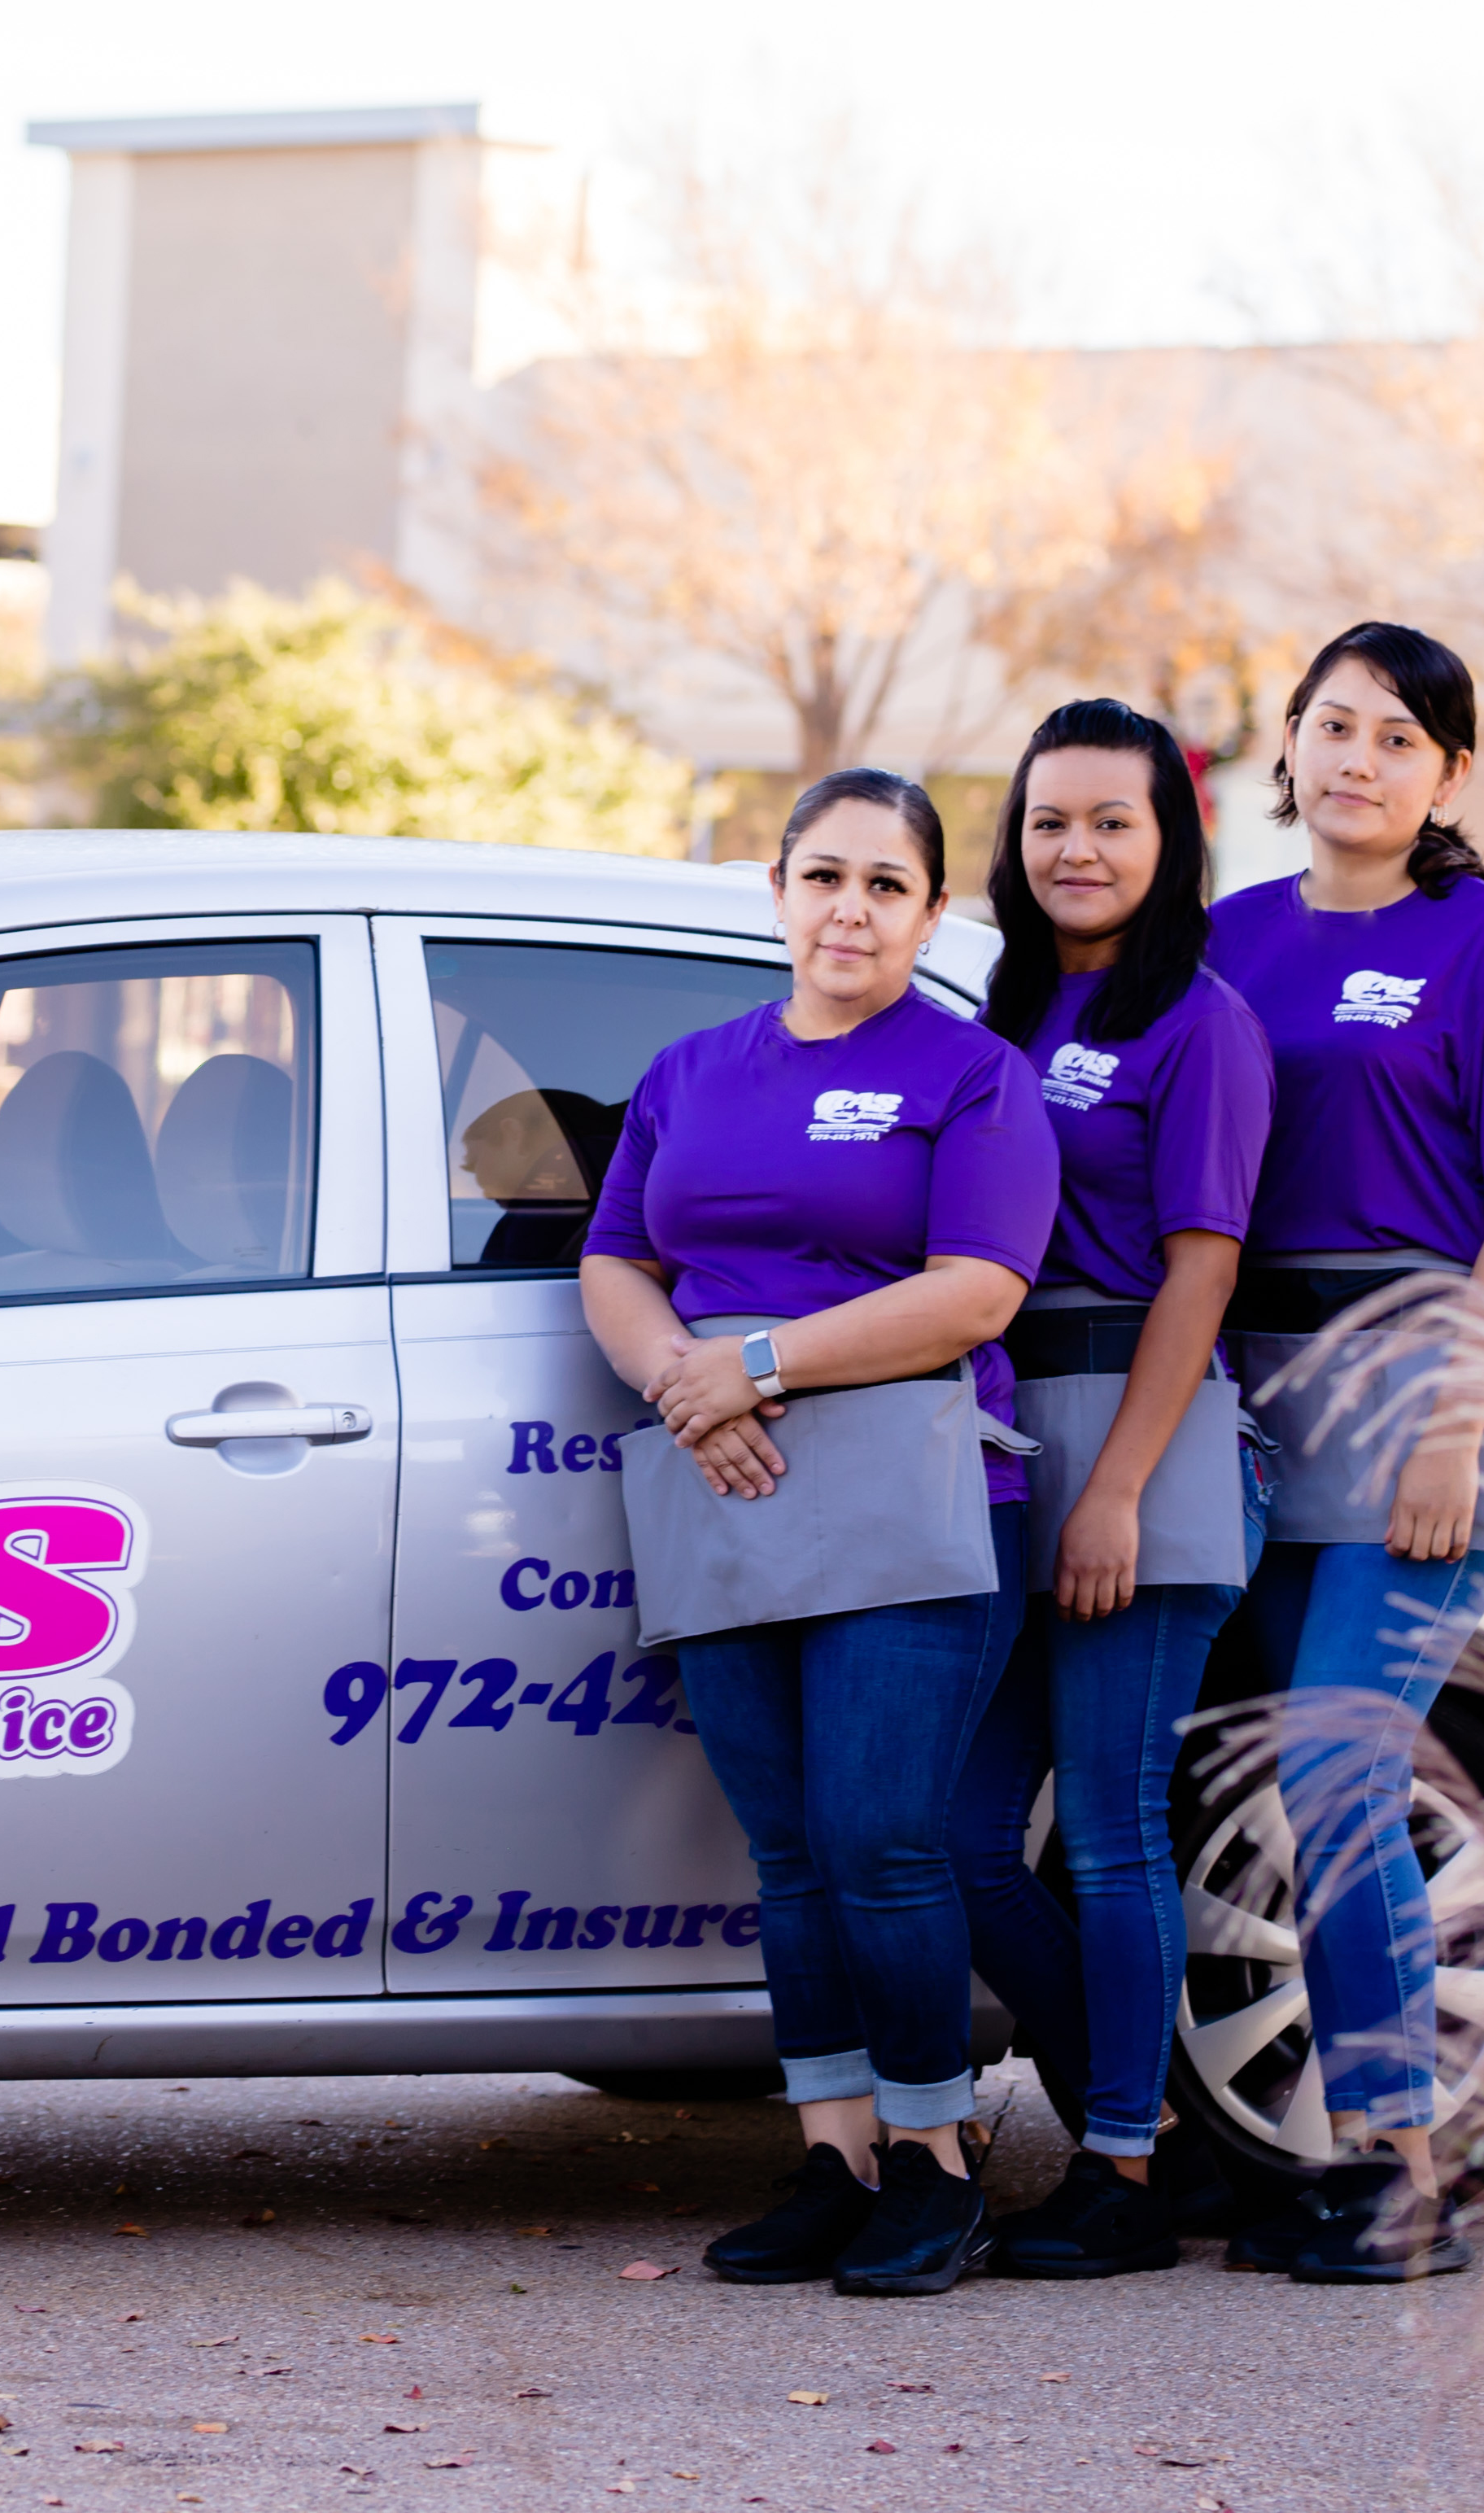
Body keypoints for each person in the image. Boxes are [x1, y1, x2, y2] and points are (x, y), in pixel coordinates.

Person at [584, 768, 1058, 2298]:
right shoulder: (691, 1070)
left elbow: (981, 1287)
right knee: (789, 1854)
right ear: (777, 891)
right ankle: (836, 2154)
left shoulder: (974, 1074)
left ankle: (936, 2161)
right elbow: (617, 1258)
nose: (849, 908)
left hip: (917, 1505)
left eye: (886, 885)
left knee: (882, 1840)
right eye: (824, 876)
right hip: (729, 1489)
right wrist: (685, 1384)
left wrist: (761, 1364)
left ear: (931, 912)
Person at [1203, 622, 1484, 2284]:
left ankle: (1401, 2160)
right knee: (1260, 1784)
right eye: (1332, 725)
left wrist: (1450, 1420)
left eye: (1395, 738)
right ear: (1285, 745)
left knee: (1338, 1765)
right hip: (1251, 1413)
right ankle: (1258, 2157)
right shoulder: (1220, 941)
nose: (1355, 759)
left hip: (1425, 1404)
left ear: (1444, 775)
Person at [945, 697, 1275, 2282]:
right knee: (948, 1828)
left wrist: (1117, 1486)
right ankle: (1142, 2119)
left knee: (1113, 1829)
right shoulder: (993, 1006)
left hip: (1135, 1435)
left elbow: (1202, 1265)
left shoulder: (1197, 1021)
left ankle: (1127, 2166)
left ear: (1168, 841)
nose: (1073, 848)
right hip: (1001, 1434)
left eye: (1110, 821)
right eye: (1048, 820)